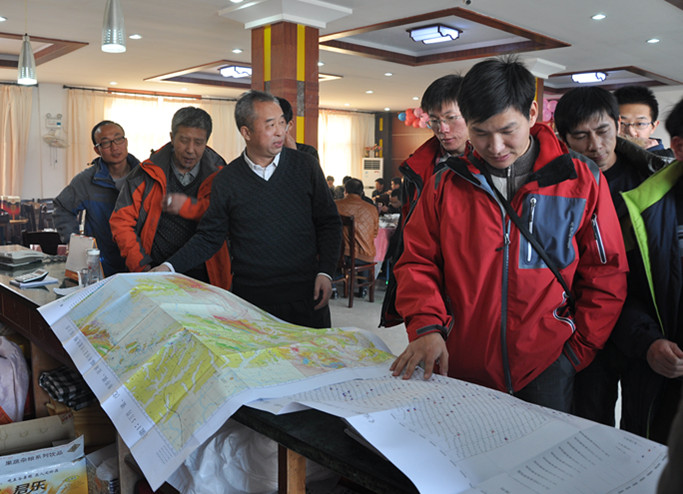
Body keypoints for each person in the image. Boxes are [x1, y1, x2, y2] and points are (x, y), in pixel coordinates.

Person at [390, 58, 628, 413]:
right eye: (481, 133)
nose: (496, 146)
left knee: (541, 447)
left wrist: (577, 351)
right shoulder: (445, 184)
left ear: (531, 113)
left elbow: (606, 272)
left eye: (507, 130)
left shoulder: (580, 180)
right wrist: (427, 327)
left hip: (548, 363)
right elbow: (417, 262)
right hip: (460, 356)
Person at [153, 91, 341, 329]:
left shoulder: (306, 167)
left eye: (282, 123)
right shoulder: (227, 180)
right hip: (253, 301)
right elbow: (209, 237)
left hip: (307, 295)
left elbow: (329, 223)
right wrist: (168, 267)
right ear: (246, 132)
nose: (280, 132)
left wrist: (326, 272)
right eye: (270, 125)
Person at [553, 86, 670, 429]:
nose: (595, 145)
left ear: (617, 125)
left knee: (641, 425)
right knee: (587, 422)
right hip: (587, 322)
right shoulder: (557, 188)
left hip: (646, 324)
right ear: (564, 139)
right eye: (580, 136)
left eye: (603, 131)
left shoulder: (651, 179)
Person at [614, 97, 683, 445]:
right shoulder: (642, 210)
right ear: (679, 147)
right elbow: (620, 292)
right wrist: (648, 342)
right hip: (661, 386)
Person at [110, 107, 230, 289]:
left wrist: (188, 207)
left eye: (198, 142)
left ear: (206, 141)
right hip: (155, 271)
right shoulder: (145, 173)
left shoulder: (221, 175)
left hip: (206, 276)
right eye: (184, 140)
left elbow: (225, 219)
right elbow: (121, 223)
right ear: (172, 137)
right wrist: (142, 268)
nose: (190, 150)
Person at [53, 120, 139, 276]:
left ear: (126, 141)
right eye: (106, 143)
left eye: (118, 139)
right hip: (103, 264)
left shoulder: (144, 175)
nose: (114, 147)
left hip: (141, 261)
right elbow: (62, 208)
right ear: (97, 150)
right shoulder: (87, 180)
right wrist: (75, 243)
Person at [399, 74, 468, 217]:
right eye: (434, 121)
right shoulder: (415, 167)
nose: (442, 129)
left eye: (451, 118)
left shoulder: (494, 163)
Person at [614, 85, 675, 159]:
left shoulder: (669, 160)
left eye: (640, 124)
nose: (631, 132)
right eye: (622, 123)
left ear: (653, 127)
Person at [335, 178, 379, 264]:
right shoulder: (372, 209)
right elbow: (375, 233)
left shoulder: (335, 205)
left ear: (345, 191)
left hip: (341, 255)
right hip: (365, 256)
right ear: (362, 192)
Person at [276, 96, 320, 161]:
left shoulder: (308, 152)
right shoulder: (261, 151)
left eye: (279, 123)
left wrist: (293, 153)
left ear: (289, 125)